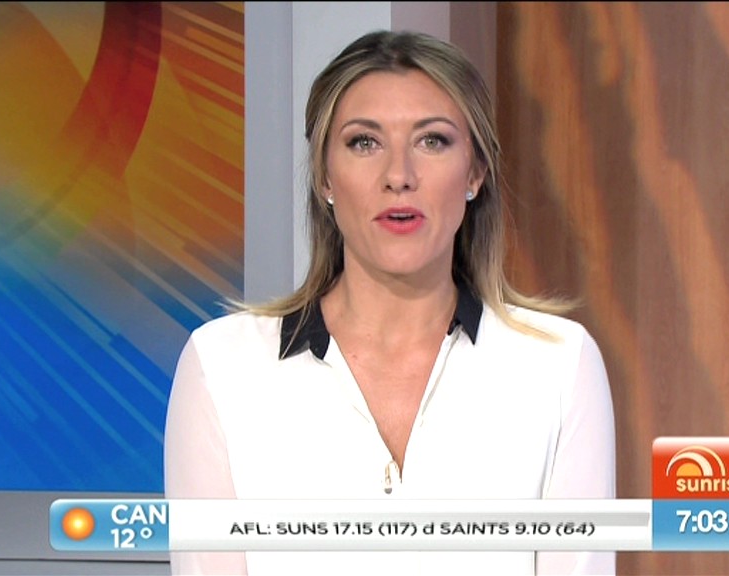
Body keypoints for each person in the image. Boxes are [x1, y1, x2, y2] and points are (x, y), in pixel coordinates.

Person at [164, 29, 616, 576]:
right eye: (364, 143)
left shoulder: (559, 365)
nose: (399, 176)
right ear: (325, 178)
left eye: (432, 141)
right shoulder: (222, 365)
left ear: (474, 173)